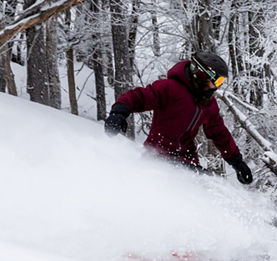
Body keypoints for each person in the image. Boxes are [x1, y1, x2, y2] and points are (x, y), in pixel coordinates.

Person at [104, 51, 254, 184]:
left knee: (208, 187)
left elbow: (219, 133)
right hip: (158, 157)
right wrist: (119, 113)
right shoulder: (170, 88)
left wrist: (237, 162)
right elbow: (139, 97)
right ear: (201, 75)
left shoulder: (208, 104)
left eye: (221, 82)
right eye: (217, 81)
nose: (217, 87)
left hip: (187, 161)